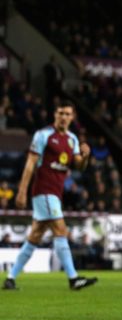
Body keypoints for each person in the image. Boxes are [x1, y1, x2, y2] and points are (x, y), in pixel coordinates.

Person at [3, 103, 96, 291]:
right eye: (60, 113)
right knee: (60, 230)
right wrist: (21, 192)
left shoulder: (72, 139)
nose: (63, 116)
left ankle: (10, 278)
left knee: (35, 236)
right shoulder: (43, 135)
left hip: (56, 193)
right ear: (55, 114)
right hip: (43, 191)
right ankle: (73, 279)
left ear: (72, 117)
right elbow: (30, 165)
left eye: (67, 114)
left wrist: (85, 156)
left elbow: (79, 166)